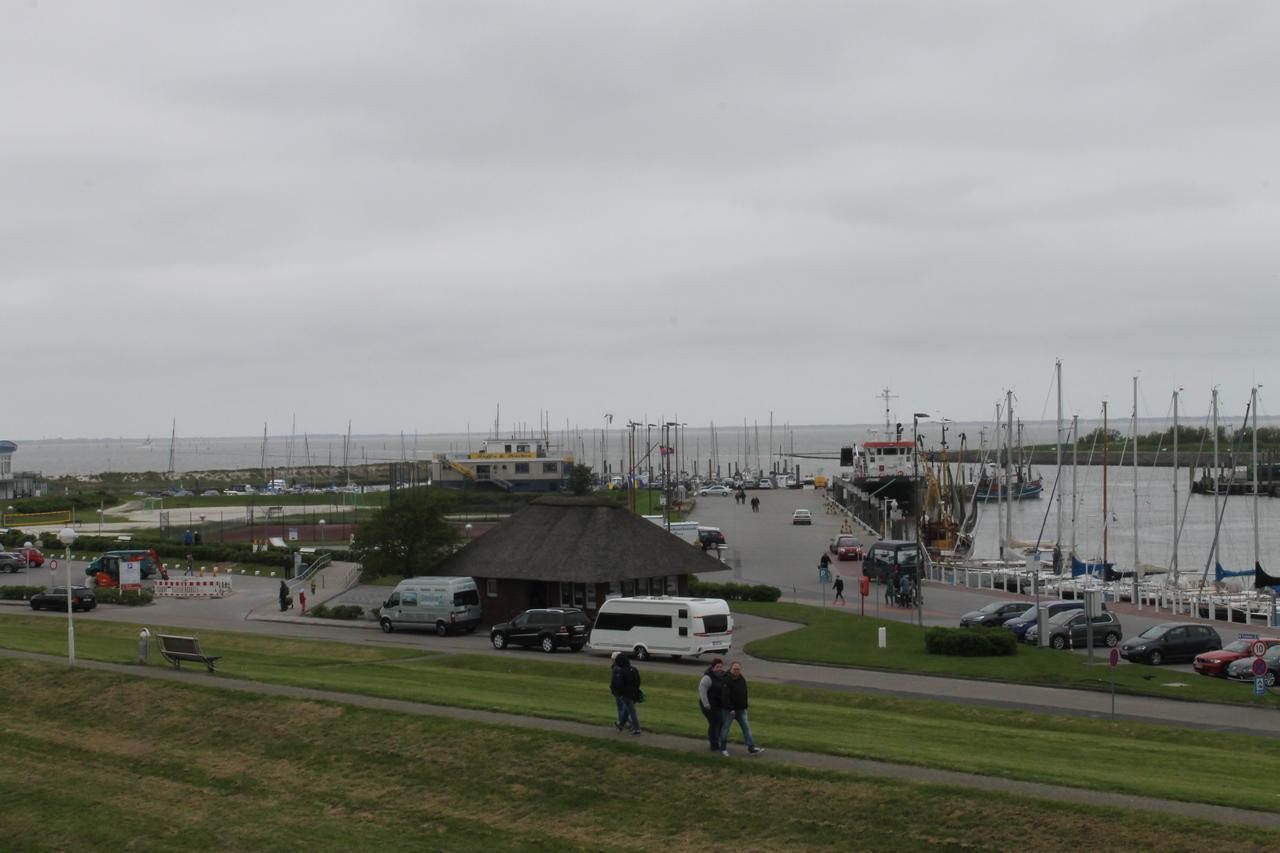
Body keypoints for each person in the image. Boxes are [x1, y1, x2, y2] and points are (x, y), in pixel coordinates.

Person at [722, 662, 764, 756]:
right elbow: (725, 696)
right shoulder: (726, 680)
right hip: (730, 711)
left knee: (746, 728)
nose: (737, 671)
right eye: (735, 669)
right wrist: (730, 709)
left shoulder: (742, 679)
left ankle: (751, 748)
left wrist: (745, 707)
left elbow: (744, 694)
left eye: (738, 669)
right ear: (731, 669)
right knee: (725, 728)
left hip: (741, 709)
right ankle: (723, 748)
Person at [698, 658, 730, 755]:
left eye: (720, 666)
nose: (719, 668)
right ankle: (714, 745)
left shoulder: (723, 675)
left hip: (718, 705)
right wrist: (706, 704)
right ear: (713, 667)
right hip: (708, 705)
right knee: (715, 723)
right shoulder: (708, 677)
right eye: (717, 667)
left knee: (720, 722)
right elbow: (702, 690)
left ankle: (719, 742)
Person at [610, 652, 642, 734]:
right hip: (634, 692)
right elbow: (638, 681)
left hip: (626, 694)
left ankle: (637, 728)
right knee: (626, 711)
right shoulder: (634, 669)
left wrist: (618, 692)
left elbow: (618, 683)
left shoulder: (621, 671)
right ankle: (621, 725)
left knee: (631, 711)